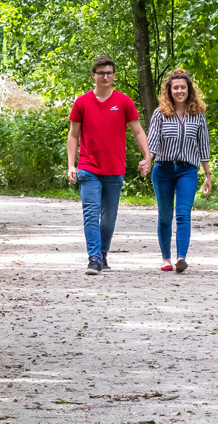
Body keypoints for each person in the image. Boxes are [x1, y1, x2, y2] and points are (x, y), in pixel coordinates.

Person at [67, 55, 151, 275]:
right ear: (94, 75)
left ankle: (102, 253)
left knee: (109, 218)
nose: (105, 76)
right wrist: (71, 164)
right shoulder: (82, 102)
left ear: (114, 76)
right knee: (90, 213)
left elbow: (138, 131)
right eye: (101, 73)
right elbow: (73, 135)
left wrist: (147, 156)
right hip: (88, 167)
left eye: (109, 73)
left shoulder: (123, 102)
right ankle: (94, 258)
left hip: (114, 168)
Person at [140, 68, 212, 273]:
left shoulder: (198, 115)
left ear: (189, 90)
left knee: (183, 213)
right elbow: (152, 143)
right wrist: (147, 161)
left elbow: (203, 146)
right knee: (165, 216)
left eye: (183, 87)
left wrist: (207, 175)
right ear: (169, 91)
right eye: (175, 88)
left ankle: (181, 257)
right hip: (162, 169)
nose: (179, 91)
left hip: (187, 170)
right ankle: (165, 259)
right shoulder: (160, 114)